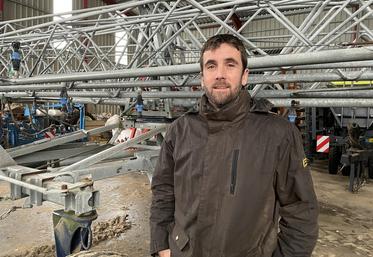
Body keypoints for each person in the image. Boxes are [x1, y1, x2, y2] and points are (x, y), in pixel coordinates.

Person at [150, 34, 319, 257]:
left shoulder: (278, 133)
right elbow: (164, 191)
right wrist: (162, 245)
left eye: (230, 65)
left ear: (244, 76)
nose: (220, 74)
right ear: (202, 77)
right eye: (211, 66)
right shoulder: (180, 131)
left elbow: (301, 208)